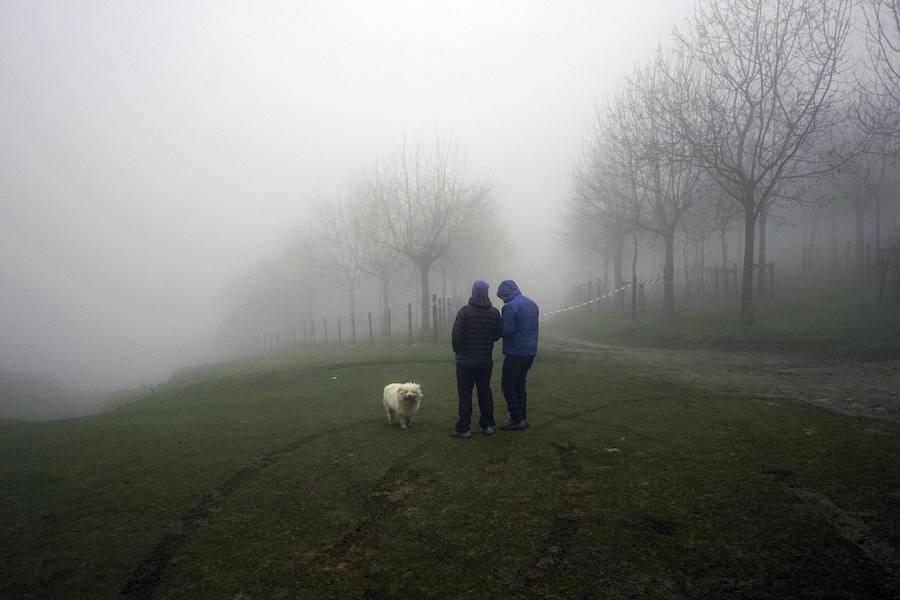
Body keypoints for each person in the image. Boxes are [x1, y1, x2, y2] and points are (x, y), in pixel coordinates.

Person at [450, 280, 502, 438]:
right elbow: (497, 334)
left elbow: (456, 336)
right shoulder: (494, 312)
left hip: (465, 362)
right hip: (485, 362)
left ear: (473, 292)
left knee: (465, 395)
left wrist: (459, 352)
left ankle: (464, 428)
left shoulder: (464, 312)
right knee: (485, 392)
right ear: (487, 292)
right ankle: (487, 425)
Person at [496, 279, 539, 431]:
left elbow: (507, 331)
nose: (502, 299)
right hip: (530, 351)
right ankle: (523, 416)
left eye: (501, 297)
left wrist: (497, 329)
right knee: (520, 383)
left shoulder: (509, 307)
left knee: (507, 385)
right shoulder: (532, 304)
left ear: (505, 294)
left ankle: (516, 419)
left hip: (515, 351)